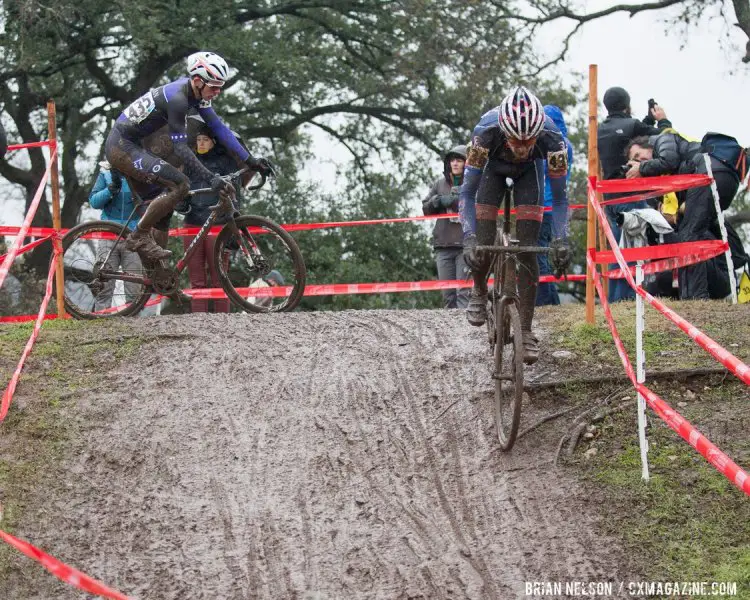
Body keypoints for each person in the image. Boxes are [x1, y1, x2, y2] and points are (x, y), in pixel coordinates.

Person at [104, 51, 273, 262]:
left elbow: (219, 128)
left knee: (165, 212)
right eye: (214, 87)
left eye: (220, 87)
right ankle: (138, 235)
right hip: (121, 146)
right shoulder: (178, 99)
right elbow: (181, 148)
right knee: (181, 184)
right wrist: (211, 176)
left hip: (137, 145)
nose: (218, 92)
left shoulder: (196, 94)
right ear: (197, 81)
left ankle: (161, 280)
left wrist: (251, 160)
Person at [459, 86, 570, 364]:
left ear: (538, 135)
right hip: (492, 170)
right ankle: (480, 288)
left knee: (529, 249)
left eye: (528, 142)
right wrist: (470, 237)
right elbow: (467, 192)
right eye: (515, 141)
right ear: (504, 132)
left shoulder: (553, 140)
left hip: (530, 175)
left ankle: (527, 329)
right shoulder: (485, 134)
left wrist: (561, 238)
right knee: (482, 241)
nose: (521, 148)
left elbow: (559, 199)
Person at [625, 133, 747, 299]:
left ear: (648, 145)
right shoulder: (667, 177)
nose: (640, 160)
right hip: (725, 177)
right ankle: (735, 260)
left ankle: (695, 297)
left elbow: (670, 160)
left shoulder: (663, 138)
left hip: (709, 173)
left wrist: (641, 168)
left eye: (639, 154)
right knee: (701, 226)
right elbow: (673, 215)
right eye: (635, 159)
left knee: (689, 237)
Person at [598, 87, 672, 302]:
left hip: (609, 198)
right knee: (632, 249)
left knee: (618, 249)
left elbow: (631, 133)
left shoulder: (600, 129)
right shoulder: (631, 125)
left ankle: (616, 300)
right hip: (631, 196)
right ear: (627, 105)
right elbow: (664, 138)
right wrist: (663, 121)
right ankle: (627, 300)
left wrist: (648, 119)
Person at [88, 161, 142, 310]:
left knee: (134, 288)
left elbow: (151, 202)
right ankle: (101, 321)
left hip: (133, 236)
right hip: (108, 235)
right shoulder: (105, 172)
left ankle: (134, 325)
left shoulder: (141, 171)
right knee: (104, 286)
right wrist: (110, 190)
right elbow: (93, 201)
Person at [422, 145, 469, 309]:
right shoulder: (439, 184)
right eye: (452, 160)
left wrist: (457, 200)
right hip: (443, 245)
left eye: (459, 160)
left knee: (464, 293)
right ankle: (451, 334)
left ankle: (467, 331)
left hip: (465, 245)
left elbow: (479, 207)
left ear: (466, 163)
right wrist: (437, 201)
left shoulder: (473, 183)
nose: (455, 164)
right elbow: (425, 209)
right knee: (448, 296)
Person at [537, 105, 574, 306]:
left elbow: (540, 170)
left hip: (545, 204)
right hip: (559, 205)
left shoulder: (553, 145)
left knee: (537, 252)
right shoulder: (567, 144)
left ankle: (544, 300)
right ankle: (552, 300)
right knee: (547, 252)